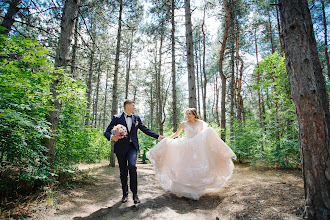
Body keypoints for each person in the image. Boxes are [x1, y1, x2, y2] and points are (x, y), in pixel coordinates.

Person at [146, 108, 236, 200]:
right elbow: (176, 134)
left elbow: (203, 136)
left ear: (194, 114)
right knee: (185, 165)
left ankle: (198, 188)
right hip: (187, 145)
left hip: (197, 146)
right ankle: (185, 189)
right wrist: (167, 139)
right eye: (187, 114)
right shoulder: (184, 124)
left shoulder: (201, 123)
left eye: (189, 114)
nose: (188, 115)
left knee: (199, 162)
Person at [104, 99, 165, 204]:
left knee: (132, 166)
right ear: (127, 105)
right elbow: (106, 131)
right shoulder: (116, 118)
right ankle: (125, 194)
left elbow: (145, 129)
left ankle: (135, 194)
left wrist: (158, 136)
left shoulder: (136, 118)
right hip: (120, 148)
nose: (134, 107)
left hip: (133, 147)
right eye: (133, 105)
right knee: (123, 172)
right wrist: (111, 137)